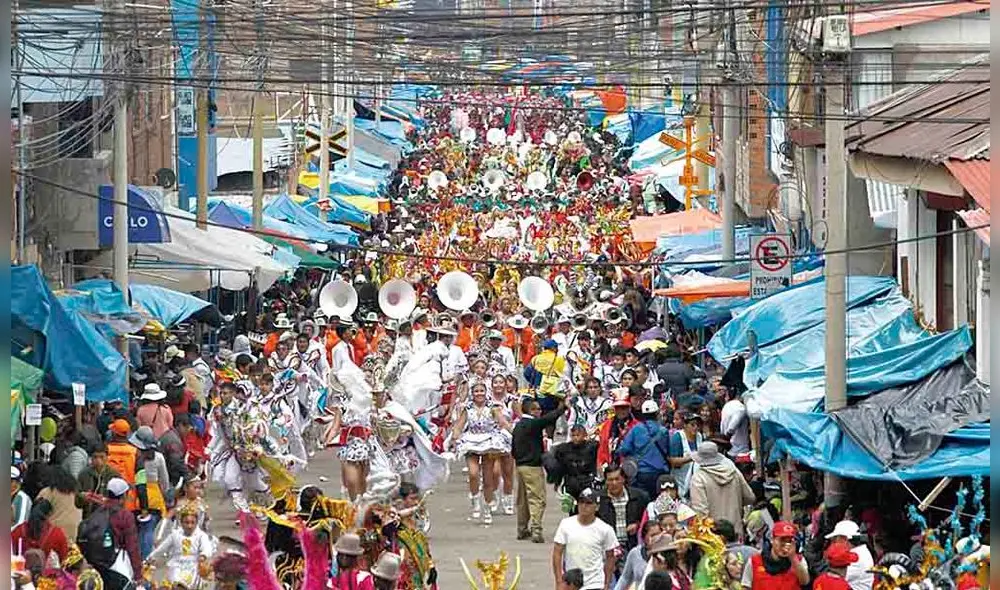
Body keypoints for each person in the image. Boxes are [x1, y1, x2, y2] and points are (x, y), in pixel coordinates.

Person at [451, 380, 512, 525]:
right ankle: (475, 501)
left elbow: (503, 422)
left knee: (488, 478)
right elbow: (459, 425)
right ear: (472, 394)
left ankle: (487, 507)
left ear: (486, 393)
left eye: (481, 391)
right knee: (473, 474)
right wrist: (455, 435)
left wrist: (516, 432)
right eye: (476, 391)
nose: (479, 394)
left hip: (488, 442)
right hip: (471, 441)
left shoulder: (493, 407)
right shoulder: (467, 408)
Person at [511, 397, 566, 542]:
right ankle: (536, 529)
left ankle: (522, 529)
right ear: (532, 410)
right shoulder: (532, 424)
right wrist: (562, 407)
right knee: (537, 499)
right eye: (538, 409)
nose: (540, 412)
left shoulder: (518, 426)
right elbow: (550, 417)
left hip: (520, 466)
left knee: (522, 500)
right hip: (532, 466)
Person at [552, 488, 620, 590]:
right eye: (581, 502)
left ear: (596, 507)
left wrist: (606, 583)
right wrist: (559, 581)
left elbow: (611, 557)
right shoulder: (566, 524)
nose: (584, 506)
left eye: (588, 503)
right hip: (572, 583)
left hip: (595, 583)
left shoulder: (605, 529)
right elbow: (557, 553)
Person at [688, 442, 755, 539]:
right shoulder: (734, 472)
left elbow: (701, 512)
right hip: (736, 533)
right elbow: (750, 497)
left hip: (714, 537)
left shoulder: (698, 478)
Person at [145, 503, 213, 589]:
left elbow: (207, 548)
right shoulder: (175, 535)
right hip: (176, 565)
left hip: (193, 566)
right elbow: (161, 548)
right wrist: (150, 558)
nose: (189, 526)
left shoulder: (201, 535)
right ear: (181, 522)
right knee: (175, 583)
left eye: (192, 523)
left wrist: (203, 555)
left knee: (190, 583)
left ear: (197, 523)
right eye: (186, 522)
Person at [616, 400, 670, 499]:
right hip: (660, 473)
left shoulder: (636, 429)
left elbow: (624, 449)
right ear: (657, 413)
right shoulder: (664, 431)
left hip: (641, 474)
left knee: (641, 503)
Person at [740, 521, 809, 590]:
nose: (786, 545)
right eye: (782, 540)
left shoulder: (799, 560)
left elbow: (805, 582)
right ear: (772, 540)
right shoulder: (754, 561)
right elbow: (745, 586)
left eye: (789, 541)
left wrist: (793, 557)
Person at [596, 465, 649, 553]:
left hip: (633, 546)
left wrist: (637, 525)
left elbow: (647, 520)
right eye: (610, 480)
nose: (614, 483)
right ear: (605, 482)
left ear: (623, 479)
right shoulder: (598, 500)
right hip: (607, 547)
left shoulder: (640, 497)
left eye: (617, 479)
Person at [11, 499, 70, 565]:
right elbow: (65, 561)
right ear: (49, 514)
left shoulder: (17, 531)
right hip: (48, 575)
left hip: (19, 573)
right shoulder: (57, 534)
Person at [35, 467, 82, 544]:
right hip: (74, 534)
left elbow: (36, 515)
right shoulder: (75, 491)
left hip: (53, 535)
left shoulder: (48, 492)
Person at [824, 520, 874, 590]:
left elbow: (832, 577)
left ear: (844, 539)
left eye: (835, 539)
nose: (833, 542)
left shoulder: (859, 557)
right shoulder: (858, 552)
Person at [596, 389, 639, 471]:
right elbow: (602, 447)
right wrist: (601, 464)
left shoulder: (637, 426)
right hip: (610, 467)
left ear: (629, 409)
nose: (621, 411)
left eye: (624, 408)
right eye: (618, 408)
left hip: (630, 468)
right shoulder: (606, 425)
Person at [554, 424, 599, 500]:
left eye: (578, 435)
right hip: (571, 482)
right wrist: (557, 482)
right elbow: (560, 467)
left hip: (587, 481)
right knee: (572, 508)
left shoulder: (592, 447)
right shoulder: (564, 449)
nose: (575, 438)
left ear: (584, 435)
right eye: (573, 435)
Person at [76, 442, 120, 519]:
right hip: (88, 518)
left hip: (108, 518)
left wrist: (106, 501)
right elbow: (77, 502)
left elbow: (120, 501)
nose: (98, 461)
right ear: (91, 458)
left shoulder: (114, 475)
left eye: (101, 457)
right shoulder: (84, 474)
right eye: (95, 457)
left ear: (107, 457)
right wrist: (83, 498)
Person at [615, 521, 661, 590]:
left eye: (659, 535)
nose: (656, 538)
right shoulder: (635, 553)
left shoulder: (666, 553)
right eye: (653, 535)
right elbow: (625, 578)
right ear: (644, 537)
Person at [666, 413, 703, 500]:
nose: (695, 428)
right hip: (680, 479)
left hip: (695, 479)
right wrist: (691, 458)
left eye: (697, 425)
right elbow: (673, 462)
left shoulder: (699, 437)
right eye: (692, 425)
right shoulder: (677, 437)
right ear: (685, 425)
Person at [718, 387, 749, 457]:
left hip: (729, 448)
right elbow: (732, 427)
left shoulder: (726, 406)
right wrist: (727, 436)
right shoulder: (741, 408)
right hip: (740, 449)